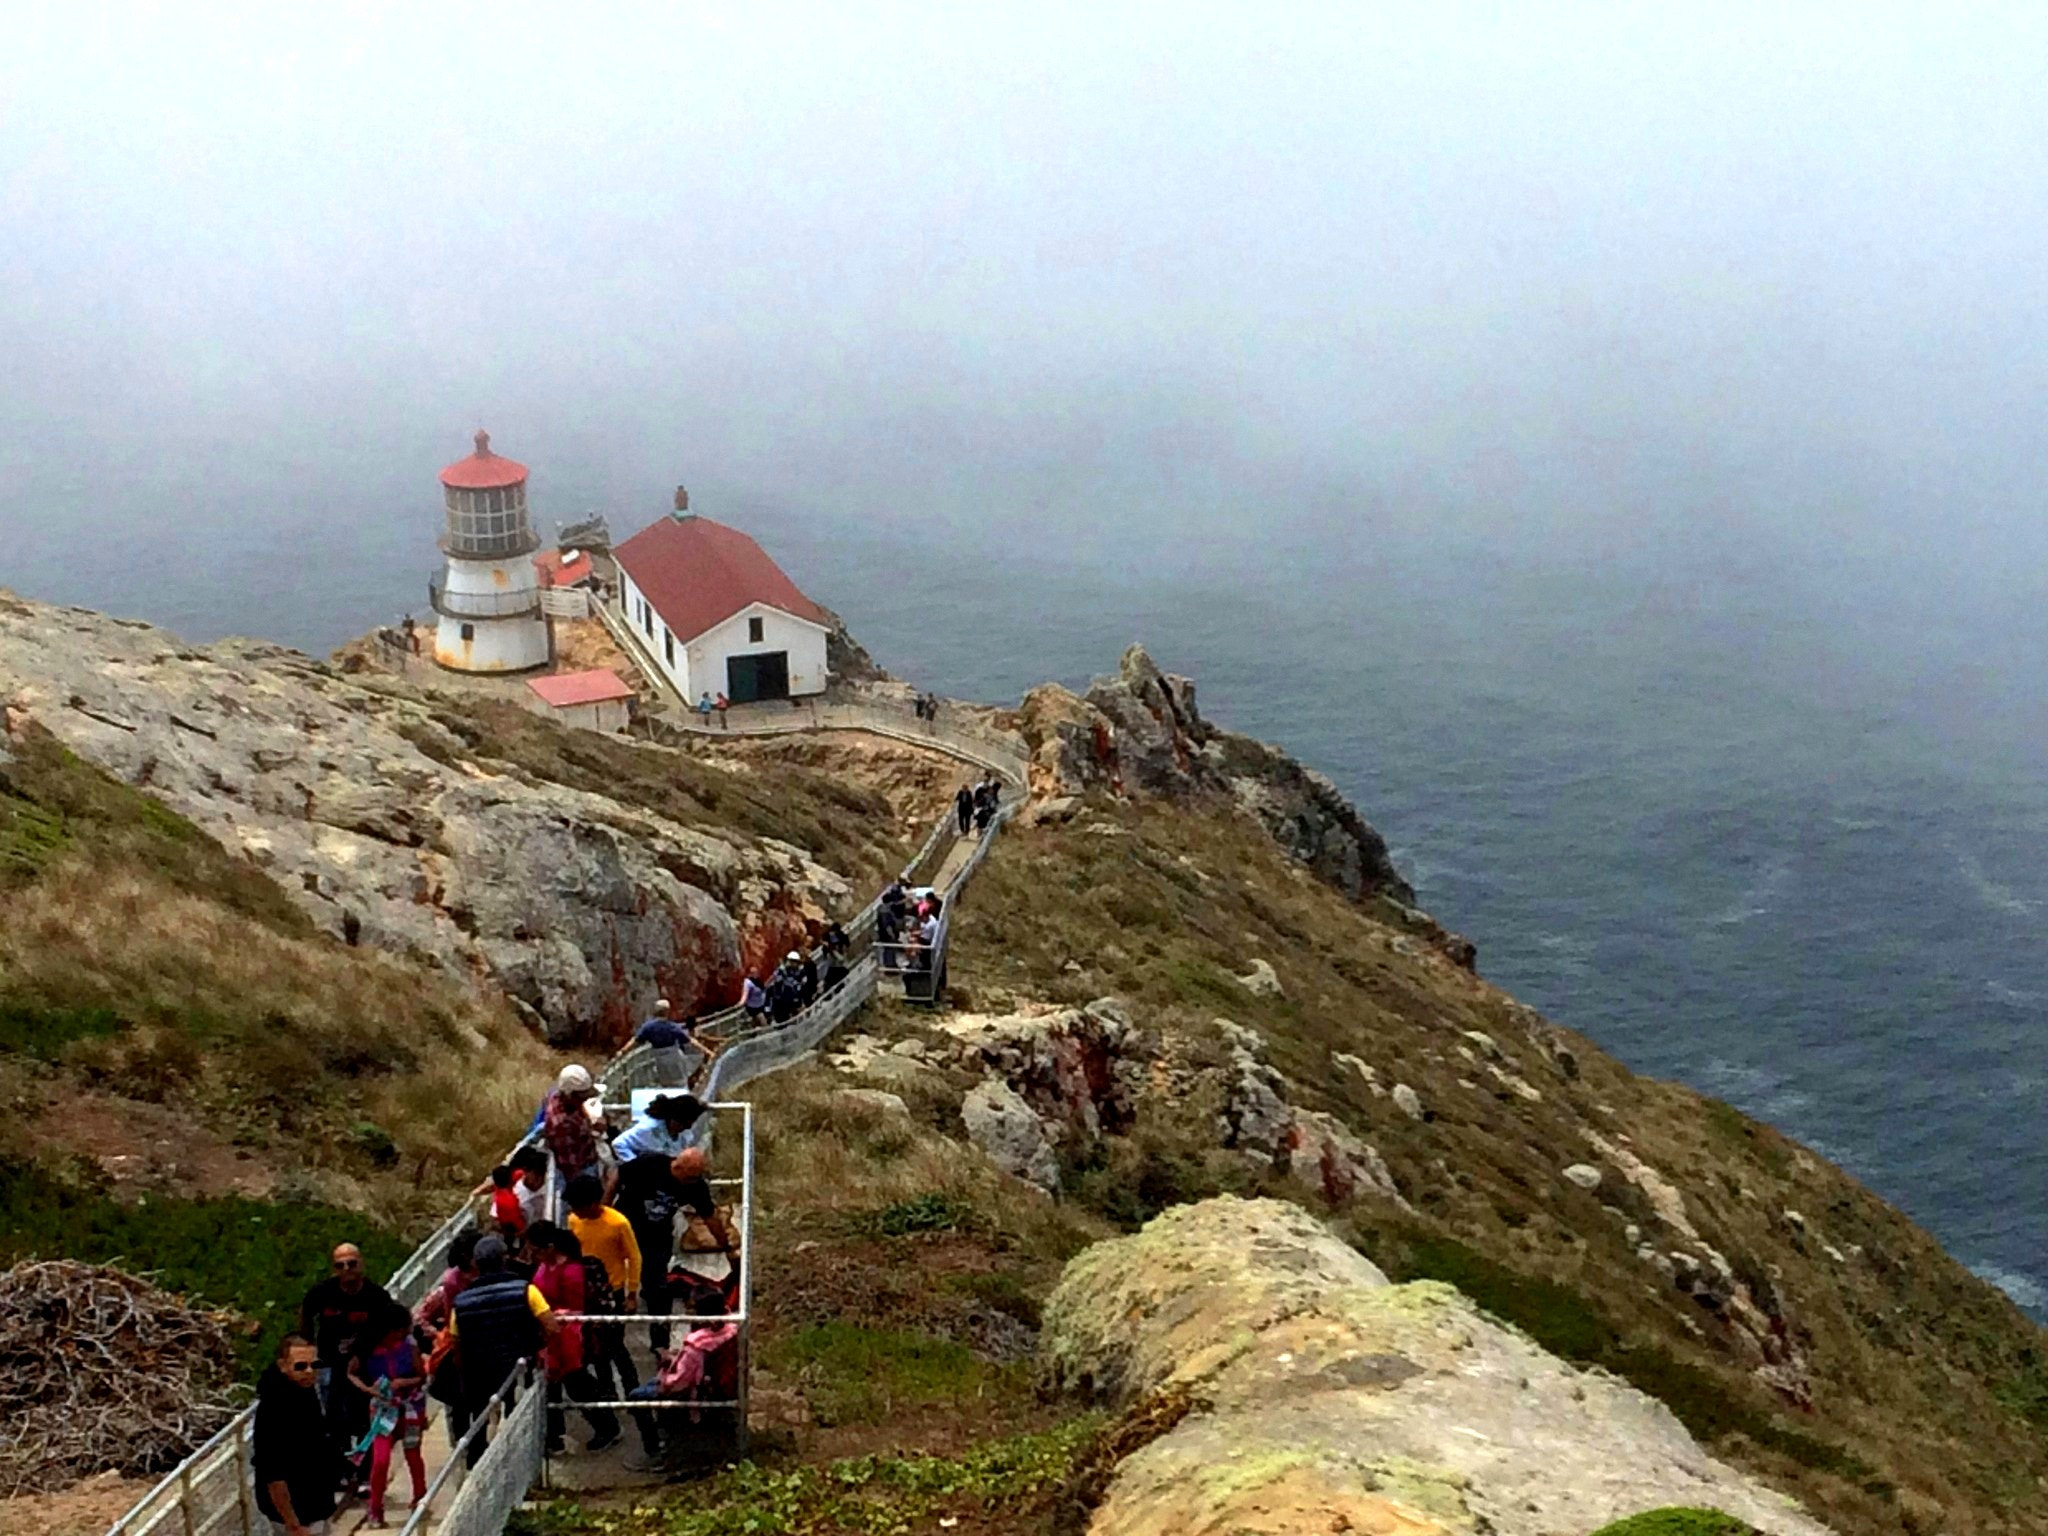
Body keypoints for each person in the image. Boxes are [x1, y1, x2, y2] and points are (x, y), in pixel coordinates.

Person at [448, 1236, 557, 1467]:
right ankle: (522, 1464)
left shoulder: (461, 1303)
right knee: (519, 1417)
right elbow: (551, 1326)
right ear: (505, 1259)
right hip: (518, 1367)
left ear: (476, 1264)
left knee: (479, 1418)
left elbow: (456, 1346)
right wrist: (538, 1346)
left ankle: (477, 1465)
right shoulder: (526, 1291)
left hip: (477, 1372)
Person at [524, 1222, 624, 1454]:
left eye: (536, 1250)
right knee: (554, 1387)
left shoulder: (571, 1271)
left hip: (568, 1337)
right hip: (550, 1335)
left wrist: (552, 1315)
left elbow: (575, 1308)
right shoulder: (545, 1266)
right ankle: (554, 1435)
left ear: (549, 1247)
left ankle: (607, 1427)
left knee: (578, 1386)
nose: (533, 1255)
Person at [299, 1244, 395, 1469]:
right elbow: (305, 1313)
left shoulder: (376, 1296)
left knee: (364, 1416)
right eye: (340, 1265)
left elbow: (388, 1327)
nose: (347, 1269)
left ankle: (365, 1470)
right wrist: (308, 1346)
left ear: (361, 1263)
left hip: (364, 1364)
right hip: (329, 1362)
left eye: (351, 1263)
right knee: (333, 1417)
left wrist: (367, 1351)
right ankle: (340, 1467)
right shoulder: (323, 1292)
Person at [564, 1173, 643, 1403]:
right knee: (595, 1348)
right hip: (586, 1293)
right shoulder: (574, 1221)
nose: (574, 1210)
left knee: (616, 1346)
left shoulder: (617, 1223)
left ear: (591, 1203)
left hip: (613, 1292)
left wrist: (631, 1293)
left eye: (577, 1205)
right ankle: (607, 1391)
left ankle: (632, 1391)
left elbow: (634, 1257)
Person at [347, 1306, 428, 1527]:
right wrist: (369, 1390)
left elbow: (421, 1376)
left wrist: (403, 1382)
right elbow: (351, 1373)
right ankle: (375, 1507)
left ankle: (420, 1498)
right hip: (383, 1409)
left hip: (410, 1407)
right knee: (381, 1460)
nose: (402, 1334)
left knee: (413, 1456)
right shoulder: (367, 1348)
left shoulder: (409, 1346)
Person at [255, 1334, 340, 1536]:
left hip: (315, 1502)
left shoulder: (304, 1391)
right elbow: (273, 1472)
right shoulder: (274, 1409)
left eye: (315, 1365)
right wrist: (293, 1523)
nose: (310, 1372)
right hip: (298, 1515)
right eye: (301, 1366)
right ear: (283, 1366)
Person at [541, 1064, 606, 1189]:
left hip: (585, 1155)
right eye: (582, 1097)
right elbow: (572, 1165)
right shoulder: (562, 1124)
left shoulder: (560, 1097)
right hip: (581, 1170)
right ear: (571, 1095)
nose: (585, 1100)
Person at [633, 1000, 690, 1087]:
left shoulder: (648, 1027)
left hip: (658, 1058)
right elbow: (686, 1039)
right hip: (673, 1056)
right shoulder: (672, 1026)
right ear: (668, 1011)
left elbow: (637, 1040)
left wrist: (622, 1051)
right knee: (680, 1082)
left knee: (665, 1083)